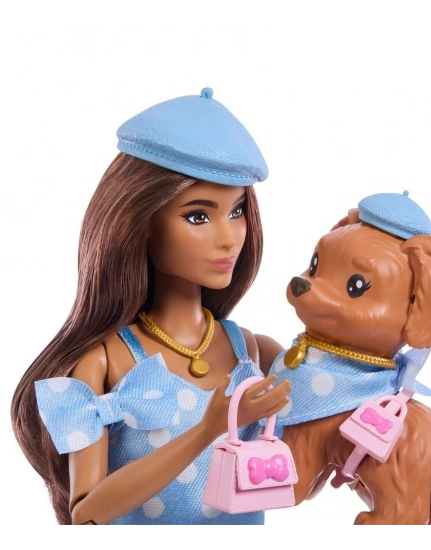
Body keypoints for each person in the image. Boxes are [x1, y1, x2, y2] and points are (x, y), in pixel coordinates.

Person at [11, 88, 290, 527]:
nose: (229, 238)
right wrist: (207, 429)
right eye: (198, 216)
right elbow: (86, 515)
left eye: (237, 211)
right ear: (140, 223)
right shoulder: (106, 361)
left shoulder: (254, 352)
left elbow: (307, 467)